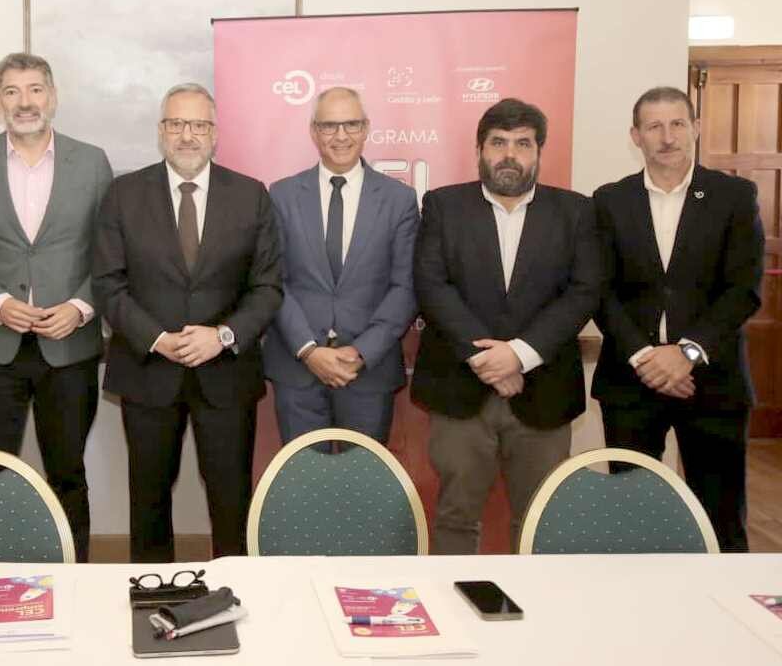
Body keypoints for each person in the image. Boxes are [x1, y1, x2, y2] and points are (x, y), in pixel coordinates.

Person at [93, 82, 282, 562]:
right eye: (176, 124)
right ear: (160, 132)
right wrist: (155, 338)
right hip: (148, 371)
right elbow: (108, 283)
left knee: (231, 501)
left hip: (226, 375)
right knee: (148, 502)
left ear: (215, 133)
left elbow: (267, 287)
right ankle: (153, 602)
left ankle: (238, 597)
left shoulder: (251, 195)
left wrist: (222, 336)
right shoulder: (123, 194)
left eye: (198, 124)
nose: (187, 135)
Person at [411, 98, 600, 554]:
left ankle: (534, 619)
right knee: (456, 516)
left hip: (544, 390)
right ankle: (452, 615)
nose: (509, 154)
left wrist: (519, 354)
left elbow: (583, 291)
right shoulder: (443, 205)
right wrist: (488, 359)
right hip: (460, 391)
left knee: (537, 520)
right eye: (498, 143)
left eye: (522, 143)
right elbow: (432, 285)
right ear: (480, 149)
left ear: (539, 152)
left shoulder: (575, 212)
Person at [0, 53, 113, 561]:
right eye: (13, 91)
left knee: (67, 471)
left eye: (35, 89)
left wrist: (82, 307)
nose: (25, 102)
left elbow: (112, 250)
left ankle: (74, 572)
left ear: (53, 96)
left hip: (70, 345)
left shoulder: (93, 161)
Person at [593, 86, 764, 552]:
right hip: (632, 382)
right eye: (654, 126)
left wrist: (687, 353)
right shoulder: (609, 200)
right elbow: (600, 291)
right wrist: (648, 357)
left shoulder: (734, 195)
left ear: (695, 128)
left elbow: (743, 290)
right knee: (630, 519)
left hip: (713, 381)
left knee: (721, 519)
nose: (667, 137)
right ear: (636, 136)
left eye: (677, 124)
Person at [265, 86, 419, 444]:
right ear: (314, 132)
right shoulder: (282, 195)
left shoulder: (399, 199)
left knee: (364, 488)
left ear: (366, 129)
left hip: (368, 372)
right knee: (304, 483)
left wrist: (361, 352)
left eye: (350, 125)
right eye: (329, 126)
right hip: (297, 369)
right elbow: (272, 281)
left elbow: (406, 286)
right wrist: (308, 349)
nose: (340, 136)